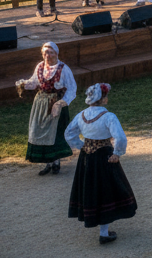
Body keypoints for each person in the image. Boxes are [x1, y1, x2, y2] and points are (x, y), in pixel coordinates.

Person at [65, 83, 137, 244]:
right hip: (104, 156)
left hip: (87, 158)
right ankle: (104, 233)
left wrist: (81, 145)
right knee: (106, 192)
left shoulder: (81, 115)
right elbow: (120, 137)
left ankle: (99, 226)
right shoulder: (109, 117)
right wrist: (117, 153)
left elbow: (69, 133)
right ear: (103, 99)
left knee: (91, 190)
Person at [15, 41, 77, 176]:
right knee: (40, 130)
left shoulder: (63, 69)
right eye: (45, 53)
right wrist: (24, 84)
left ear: (56, 53)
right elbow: (34, 82)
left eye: (50, 52)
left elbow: (72, 89)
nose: (47, 55)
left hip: (56, 103)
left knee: (55, 133)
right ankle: (48, 163)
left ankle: (56, 162)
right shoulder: (40, 66)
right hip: (41, 104)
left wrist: (61, 103)